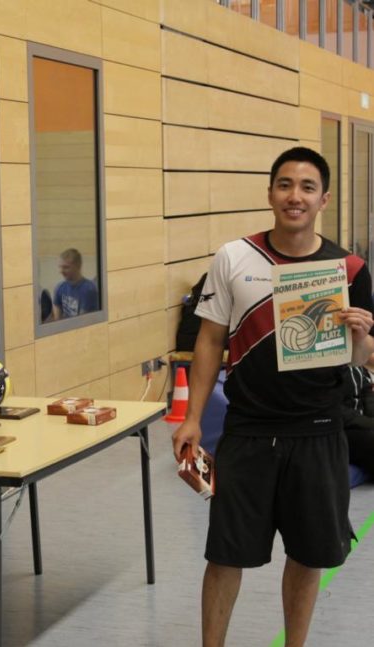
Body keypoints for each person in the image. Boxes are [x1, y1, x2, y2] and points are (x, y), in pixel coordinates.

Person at [171, 146, 374, 647]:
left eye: (307, 187)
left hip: (320, 430)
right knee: (225, 554)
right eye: (285, 185)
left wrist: (361, 335)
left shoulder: (350, 269)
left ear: (324, 199)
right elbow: (209, 341)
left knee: (307, 555)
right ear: (270, 194)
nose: (294, 196)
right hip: (248, 430)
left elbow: (362, 359)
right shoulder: (233, 257)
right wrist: (192, 418)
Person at [342, 360, 374, 476]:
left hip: (362, 425)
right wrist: (370, 423)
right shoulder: (329, 368)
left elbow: (368, 395)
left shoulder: (358, 365)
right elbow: (336, 410)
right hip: (341, 430)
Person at [52, 248, 98, 319]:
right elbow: (57, 317)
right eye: (60, 267)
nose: (61, 271)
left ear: (78, 266)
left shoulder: (89, 289)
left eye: (66, 267)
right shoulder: (60, 287)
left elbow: (83, 320)